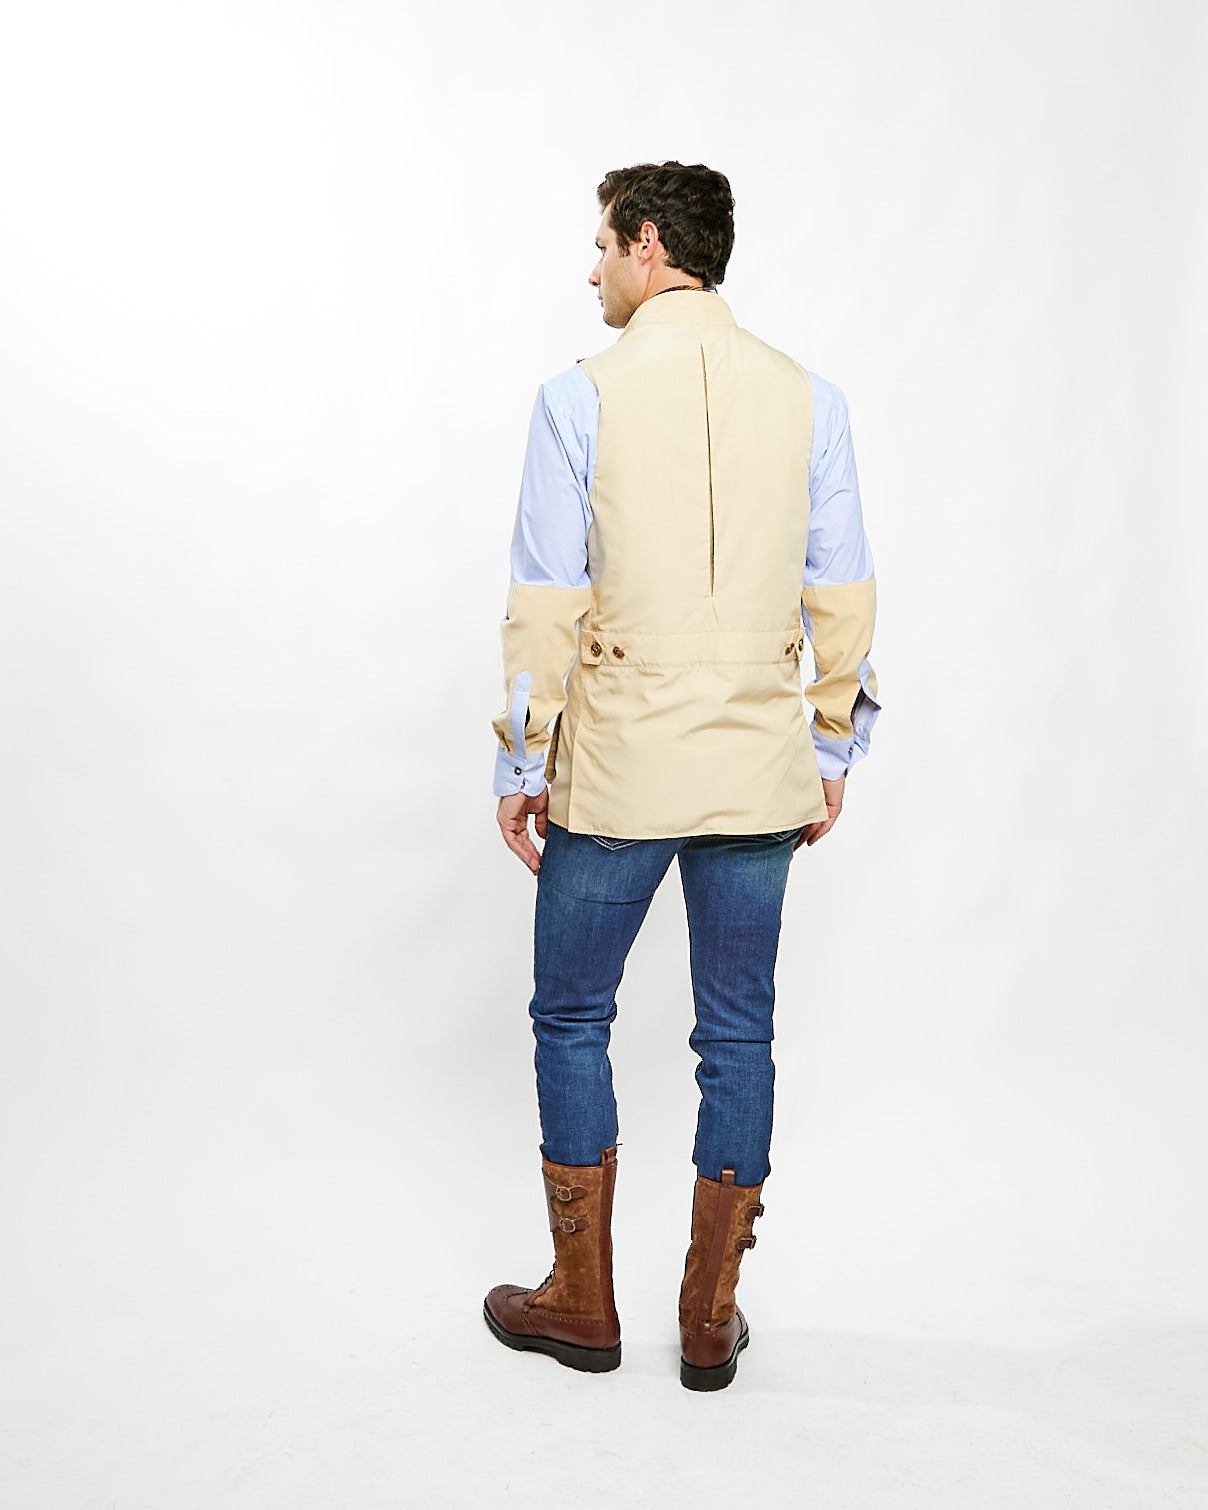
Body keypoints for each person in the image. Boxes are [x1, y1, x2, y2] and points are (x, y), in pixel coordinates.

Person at [483, 162, 880, 1391]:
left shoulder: (578, 396)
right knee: (738, 1031)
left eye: (602, 246)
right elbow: (841, 587)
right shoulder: (808, 397)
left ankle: (581, 1301)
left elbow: (545, 600)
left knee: (571, 1015)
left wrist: (521, 757)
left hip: (618, 768)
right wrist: (828, 745)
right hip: (756, 768)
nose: (591, 269)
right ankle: (708, 1320)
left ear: (648, 245)